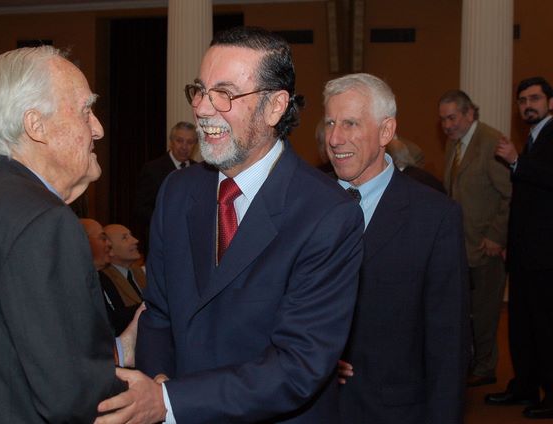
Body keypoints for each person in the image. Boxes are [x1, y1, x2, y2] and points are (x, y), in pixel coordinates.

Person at [95, 26, 364, 424]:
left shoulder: (327, 214)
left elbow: (297, 364)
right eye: (200, 90)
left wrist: (171, 400)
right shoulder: (177, 191)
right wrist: (161, 380)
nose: (203, 108)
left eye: (224, 93)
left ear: (275, 106)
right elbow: (158, 314)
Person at [0, 46, 129, 422]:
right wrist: (153, 398)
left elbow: (14, 353)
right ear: (36, 125)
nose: (98, 128)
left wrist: (119, 350)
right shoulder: (44, 221)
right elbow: (71, 396)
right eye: (85, 111)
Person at [327, 73, 469, 424]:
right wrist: (316, 355)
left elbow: (448, 343)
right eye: (330, 123)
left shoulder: (435, 216)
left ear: (386, 131)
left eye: (350, 123)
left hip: (393, 412)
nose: (334, 138)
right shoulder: (303, 203)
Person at [488, 76, 553, 419]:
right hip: (527, 253)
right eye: (523, 100)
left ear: (550, 103)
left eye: (535, 99)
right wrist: (510, 244)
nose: (528, 105)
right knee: (522, 325)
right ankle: (525, 386)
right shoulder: (533, 137)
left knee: (545, 326)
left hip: (546, 255)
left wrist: (516, 161)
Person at [438, 89, 512, 387]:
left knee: (485, 311)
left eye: (452, 118)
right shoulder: (453, 144)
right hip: (461, 245)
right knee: (466, 310)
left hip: (485, 246)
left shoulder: (492, 142)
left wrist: (497, 235)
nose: (447, 125)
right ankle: (472, 362)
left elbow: (510, 194)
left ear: (470, 113)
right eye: (443, 120)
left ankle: (485, 367)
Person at [134, 121, 198, 252]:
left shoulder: (200, 171)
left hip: (193, 242)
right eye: (179, 141)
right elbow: (141, 208)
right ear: (171, 142)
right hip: (162, 241)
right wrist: (168, 224)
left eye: (190, 142)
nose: (184, 146)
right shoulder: (152, 169)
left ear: (195, 145)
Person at [80, 218, 136, 336]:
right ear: (83, 242)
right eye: (103, 238)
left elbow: (117, 318)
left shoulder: (102, 277)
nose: (109, 244)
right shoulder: (76, 285)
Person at [102, 224, 146, 309]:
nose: (136, 240)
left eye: (131, 235)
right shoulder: (106, 280)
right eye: (125, 238)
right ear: (110, 249)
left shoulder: (138, 271)